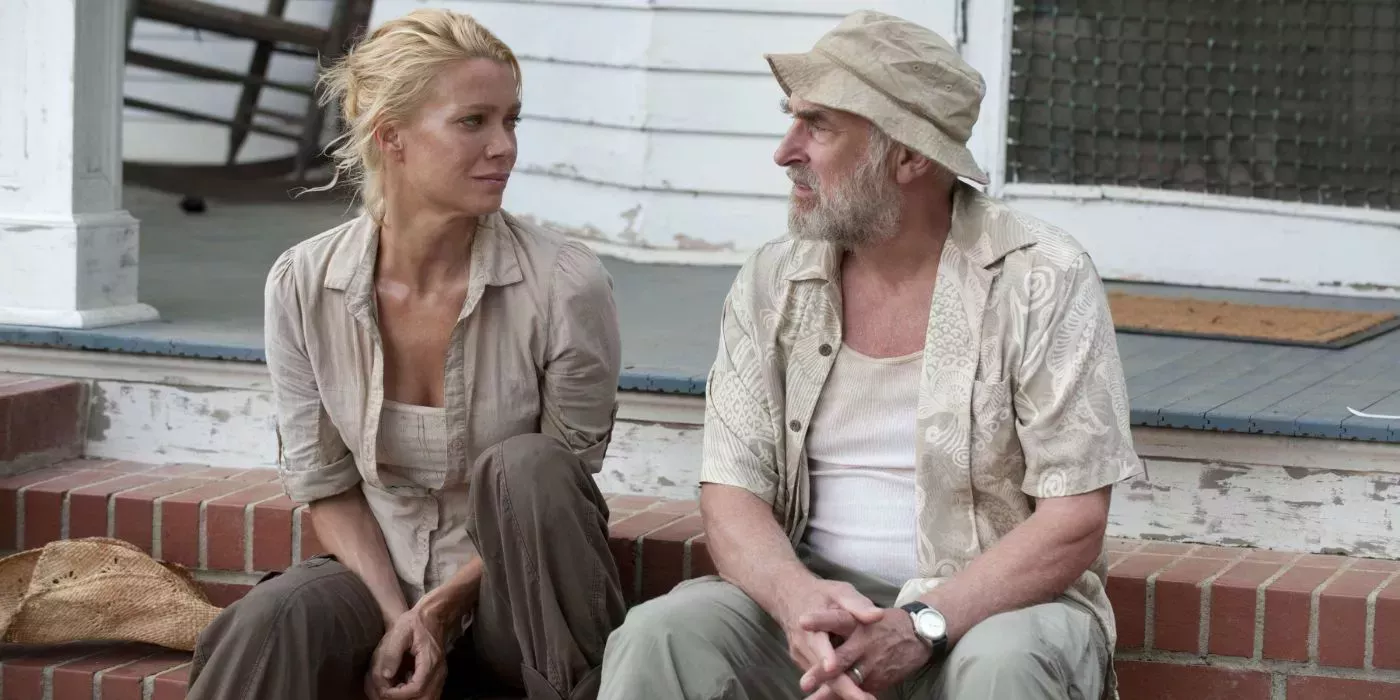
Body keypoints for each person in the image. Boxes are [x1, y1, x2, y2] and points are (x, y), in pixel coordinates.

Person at [598, 10, 1143, 700]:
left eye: (819, 126)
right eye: (793, 120)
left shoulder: (1041, 276)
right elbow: (731, 492)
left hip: (989, 613)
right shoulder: (774, 279)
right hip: (816, 606)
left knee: (1003, 667)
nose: (785, 151)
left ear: (909, 156)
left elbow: (1074, 522)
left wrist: (921, 624)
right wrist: (797, 600)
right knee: (661, 636)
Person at [186, 9, 626, 700]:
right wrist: (401, 618)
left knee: (530, 466)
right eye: (473, 121)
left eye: (511, 120)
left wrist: (440, 611)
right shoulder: (304, 283)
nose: (505, 146)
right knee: (270, 620)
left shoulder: (564, 283)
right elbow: (327, 484)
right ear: (391, 135)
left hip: (520, 599)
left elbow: (555, 502)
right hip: (379, 579)